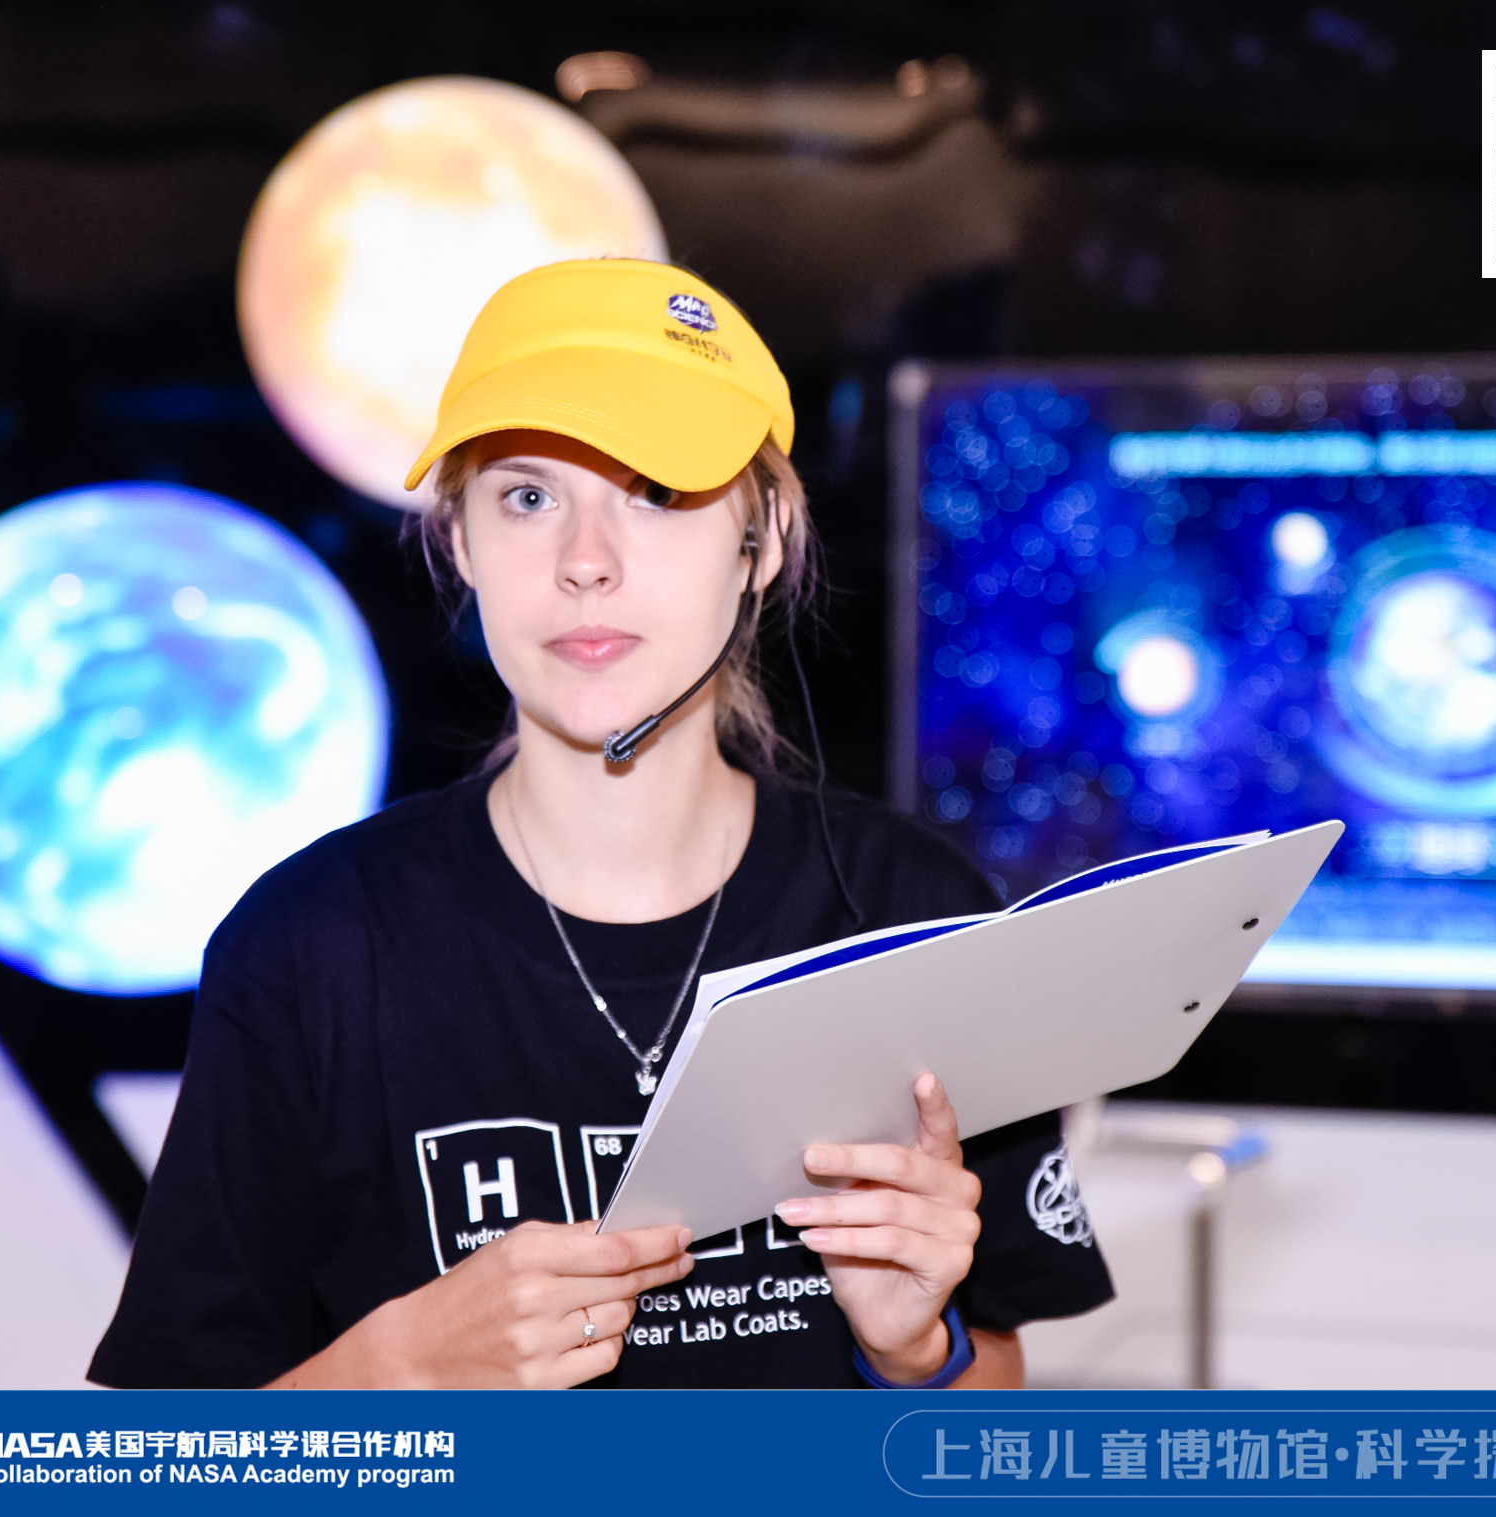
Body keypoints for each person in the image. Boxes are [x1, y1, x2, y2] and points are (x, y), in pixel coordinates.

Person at [88, 259, 1111, 1390]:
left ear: (762, 539)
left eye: (656, 491)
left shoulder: (916, 917)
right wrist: (397, 1366)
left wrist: (912, 1346)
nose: (584, 561)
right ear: (461, 542)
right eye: (527, 498)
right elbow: (166, 1457)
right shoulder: (310, 945)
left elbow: (987, 1407)